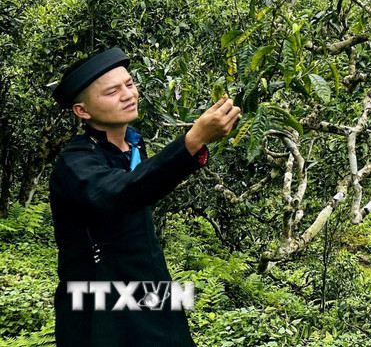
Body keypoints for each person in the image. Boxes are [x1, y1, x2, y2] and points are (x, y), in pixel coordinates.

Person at [48, 47, 241, 346]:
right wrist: (193, 140)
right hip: (99, 293)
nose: (128, 94)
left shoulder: (134, 145)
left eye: (129, 84)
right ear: (82, 111)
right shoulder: (75, 163)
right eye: (112, 91)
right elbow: (120, 192)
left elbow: (144, 186)